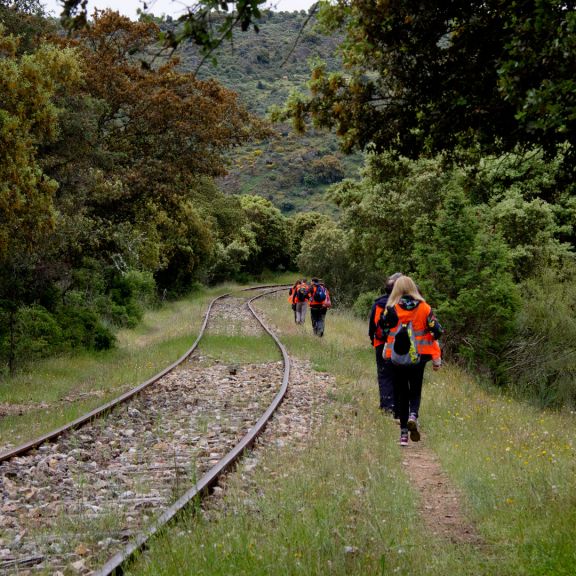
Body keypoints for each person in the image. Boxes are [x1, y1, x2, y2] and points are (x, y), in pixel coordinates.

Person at [379, 275, 443, 446]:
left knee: (401, 394)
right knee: (415, 389)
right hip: (419, 357)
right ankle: (413, 415)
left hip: (397, 357)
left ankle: (403, 435)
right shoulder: (424, 308)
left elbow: (382, 329)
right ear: (413, 288)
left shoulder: (391, 309)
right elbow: (437, 331)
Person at [368, 272, 403, 415]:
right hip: (402, 344)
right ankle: (398, 407)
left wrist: (373, 340)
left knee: (384, 375)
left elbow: (373, 326)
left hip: (382, 343)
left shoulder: (379, 304)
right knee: (400, 375)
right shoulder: (406, 304)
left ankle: (387, 406)